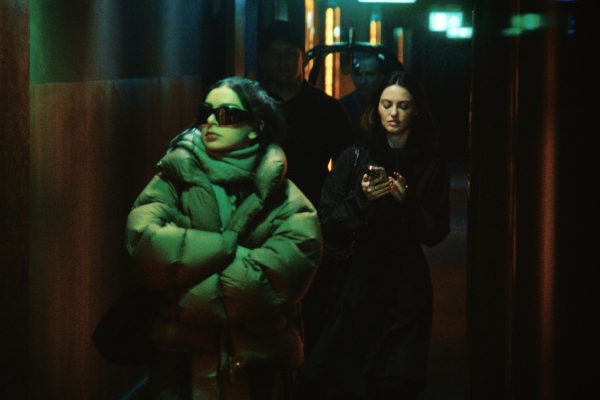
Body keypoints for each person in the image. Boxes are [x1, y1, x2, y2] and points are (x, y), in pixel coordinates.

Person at [125, 76, 323, 400]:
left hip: (256, 363)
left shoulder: (282, 194)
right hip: (180, 361)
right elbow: (145, 246)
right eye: (206, 112)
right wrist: (226, 247)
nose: (211, 122)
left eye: (227, 115)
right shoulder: (174, 177)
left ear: (256, 127)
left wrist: (186, 281)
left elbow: (282, 273)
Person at [297, 70, 450, 400]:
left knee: (396, 379)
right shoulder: (354, 156)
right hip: (357, 280)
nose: (394, 114)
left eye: (403, 106)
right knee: (351, 376)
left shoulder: (429, 162)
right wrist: (363, 200)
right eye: (387, 104)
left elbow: (436, 230)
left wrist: (406, 202)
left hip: (405, 284)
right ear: (376, 108)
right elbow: (326, 219)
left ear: (416, 111)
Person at [259, 19, 354, 206]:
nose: (282, 61)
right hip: (262, 208)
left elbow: (349, 166)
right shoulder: (253, 106)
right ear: (263, 59)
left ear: (302, 57)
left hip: (315, 207)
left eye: (290, 54)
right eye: (275, 54)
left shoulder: (327, 108)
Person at [339, 52, 386, 131]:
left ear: (381, 76)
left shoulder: (389, 106)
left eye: (370, 74)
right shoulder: (342, 107)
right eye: (358, 74)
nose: (363, 81)